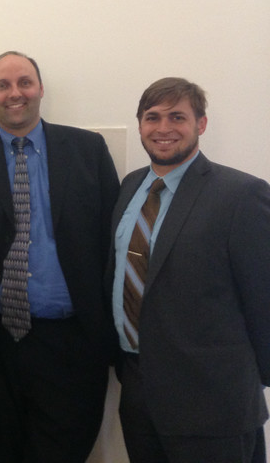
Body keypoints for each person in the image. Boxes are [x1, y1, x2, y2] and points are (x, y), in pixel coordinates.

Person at [0, 51, 120, 462]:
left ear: (40, 89)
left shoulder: (87, 149)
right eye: (2, 85)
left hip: (72, 344)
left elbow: (111, 242)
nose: (14, 93)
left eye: (24, 82)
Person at [107, 77, 270, 463]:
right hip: (139, 389)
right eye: (152, 117)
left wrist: (248, 384)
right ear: (140, 125)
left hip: (213, 402)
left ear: (201, 124)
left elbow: (263, 298)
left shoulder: (241, 195)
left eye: (177, 117)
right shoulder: (130, 187)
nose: (163, 128)